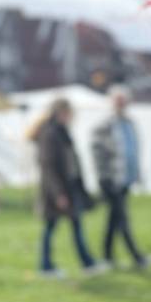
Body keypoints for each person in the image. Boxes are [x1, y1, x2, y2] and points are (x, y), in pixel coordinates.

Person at [32, 98, 103, 278]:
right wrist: (58, 194)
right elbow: (48, 166)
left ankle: (87, 262)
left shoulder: (62, 132)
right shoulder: (49, 133)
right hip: (57, 191)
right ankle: (46, 266)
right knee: (51, 227)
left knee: (75, 225)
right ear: (60, 113)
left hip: (69, 188)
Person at [91, 92, 151, 270]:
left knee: (114, 219)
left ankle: (107, 256)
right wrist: (104, 177)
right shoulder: (105, 126)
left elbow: (133, 151)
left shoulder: (130, 124)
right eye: (118, 102)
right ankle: (137, 257)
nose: (121, 105)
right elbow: (97, 153)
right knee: (122, 218)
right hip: (111, 180)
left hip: (125, 179)